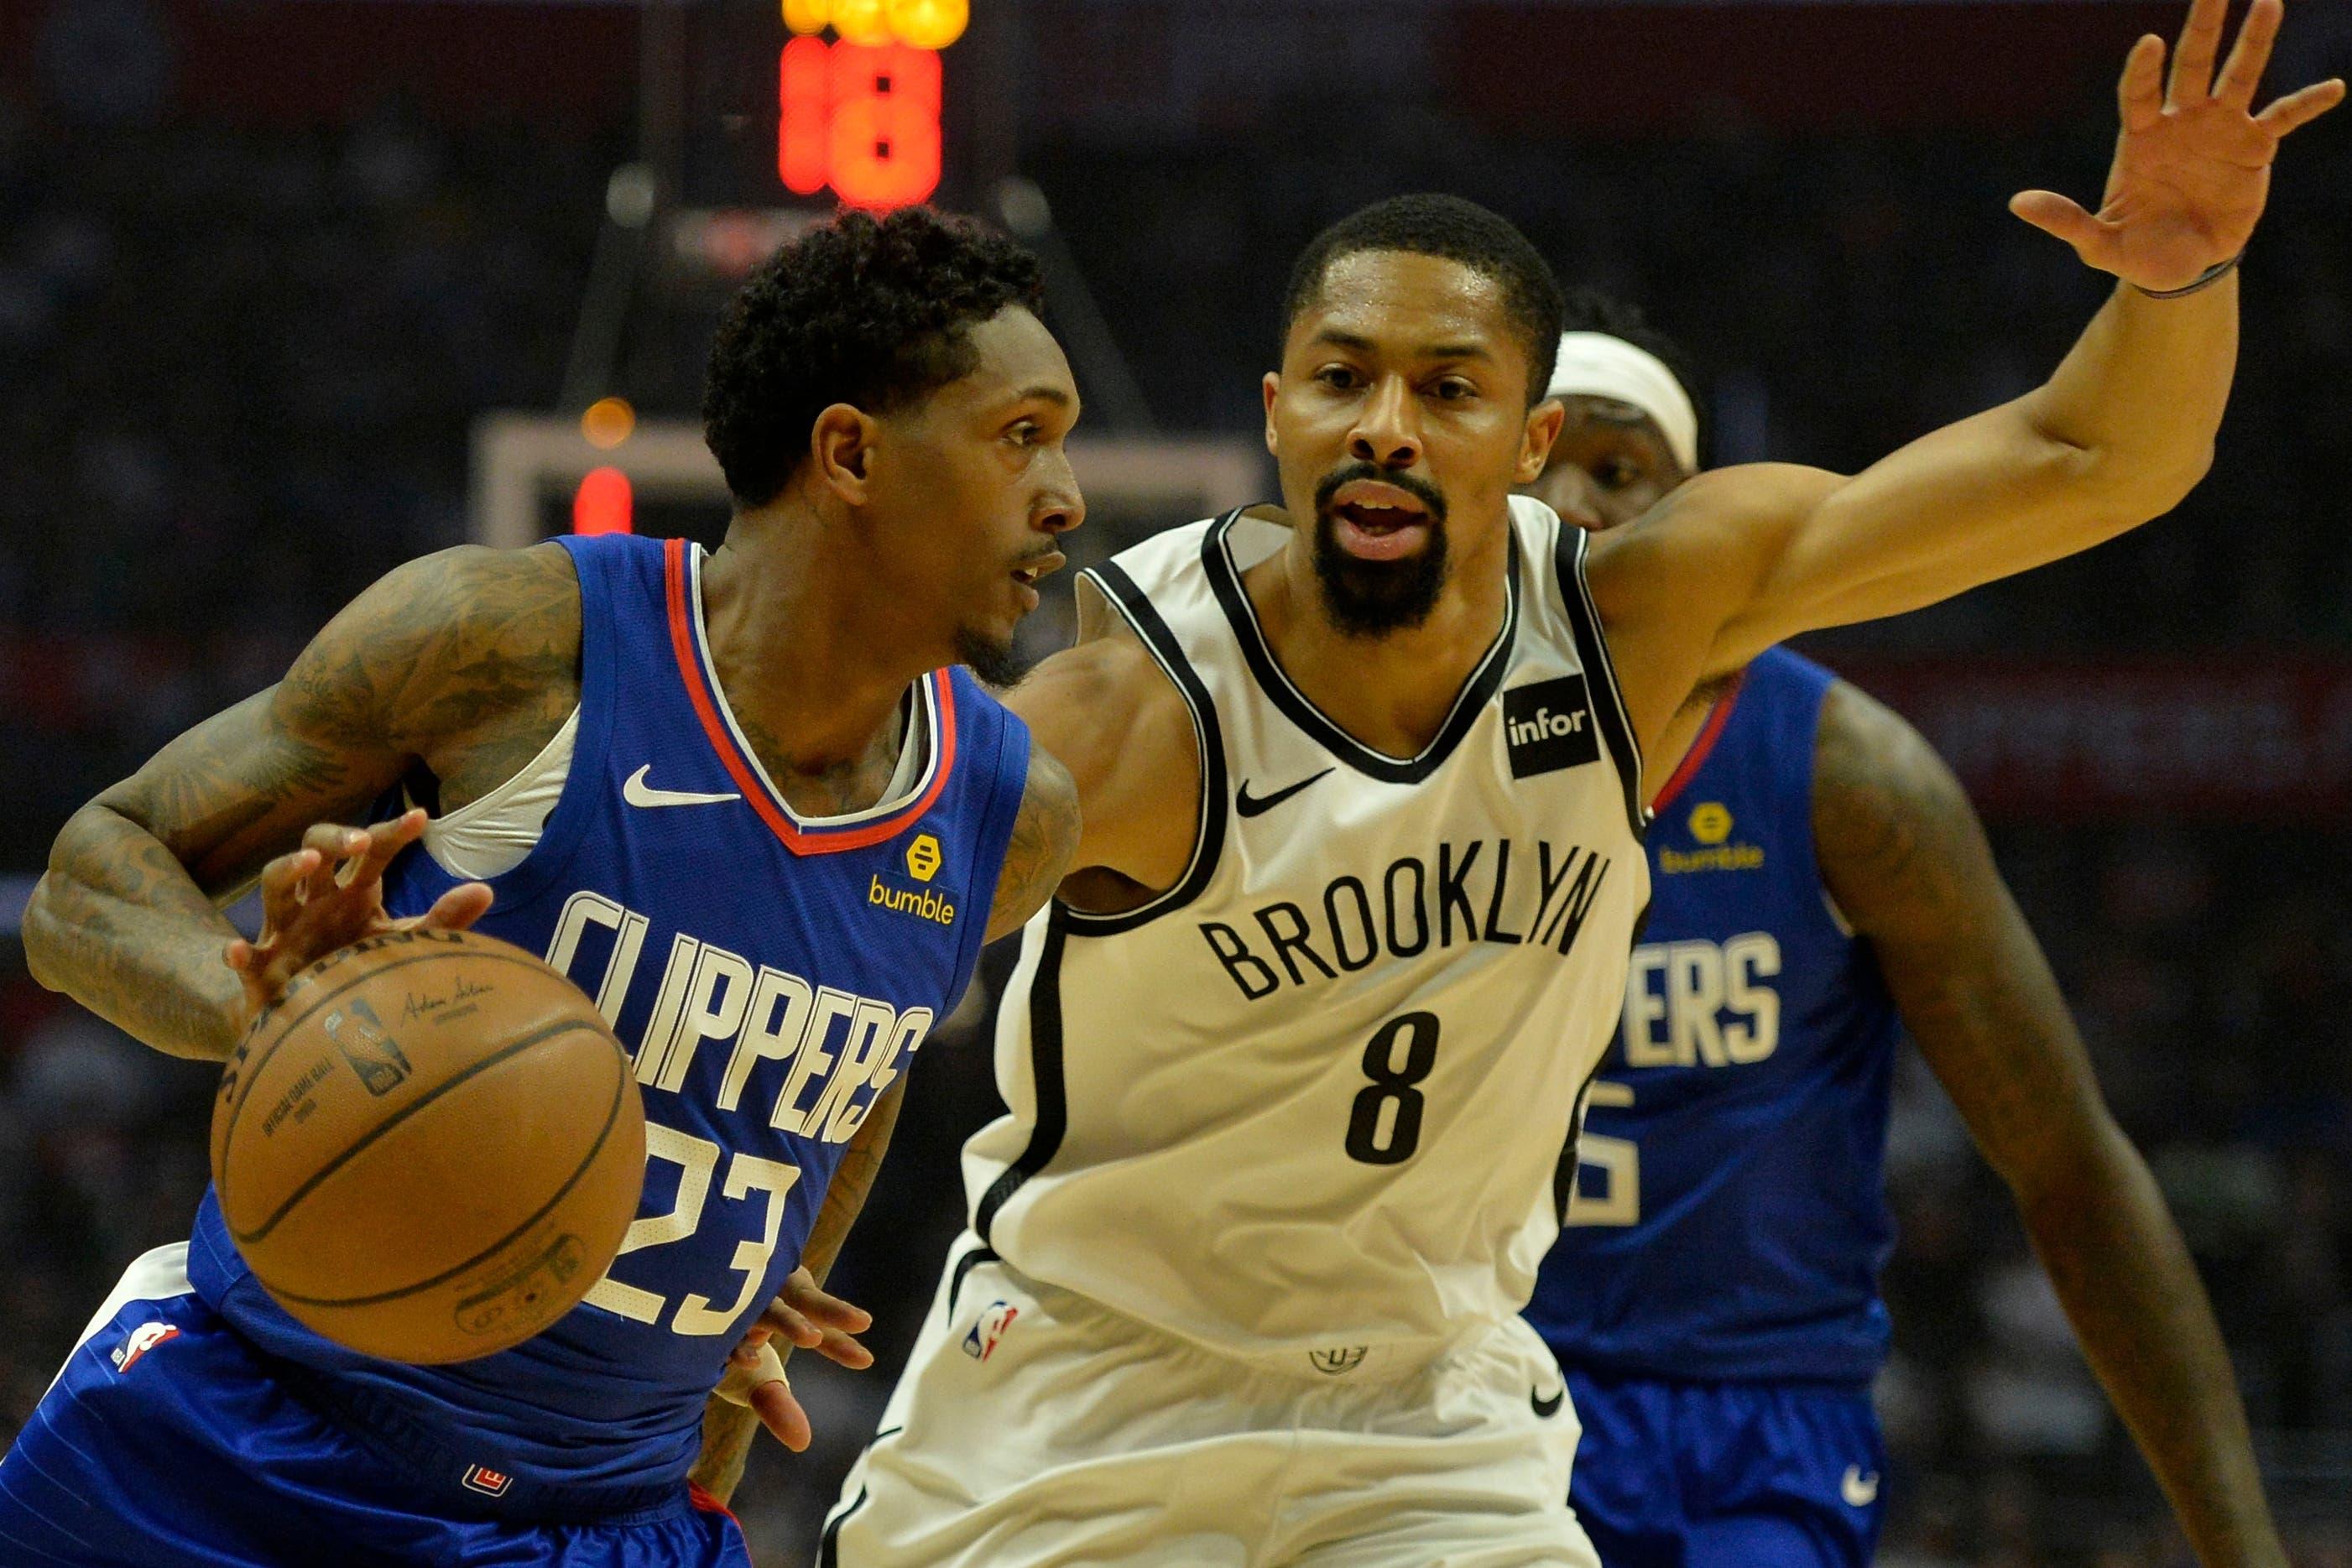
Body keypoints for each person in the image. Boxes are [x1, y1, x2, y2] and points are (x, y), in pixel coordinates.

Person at [812, 6, 2331, 1560]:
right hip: (1086, 1398)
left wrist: (2177, 278)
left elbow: (2095, 458)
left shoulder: (1636, 628)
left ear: (1527, 440)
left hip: (1424, 1422)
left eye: (1449, 390)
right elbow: (831, 956)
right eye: (1343, 379)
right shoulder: (1136, 708)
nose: (1388, 427)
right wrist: (728, 1255)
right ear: (1278, 417)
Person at [7, 206, 1083, 1567]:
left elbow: (849, 1102)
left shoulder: (1008, 816)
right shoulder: (515, 643)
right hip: (240, 1458)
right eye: (1021, 434)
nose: (1067, 492)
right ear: (851, 452)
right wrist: (275, 1021)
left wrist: (729, 1370)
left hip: (603, 1525)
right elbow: (87, 883)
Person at [1522, 295, 2287, 1568]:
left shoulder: (1850, 779)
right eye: (1540, 468)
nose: (1577, 503)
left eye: (1620, 470)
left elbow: (2069, 1164)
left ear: (1704, 514)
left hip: (1753, 1420)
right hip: (1479, 1395)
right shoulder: (1403, 765)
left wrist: (2240, 1543)